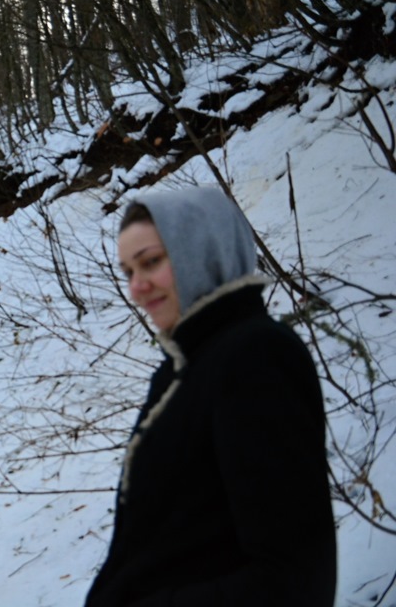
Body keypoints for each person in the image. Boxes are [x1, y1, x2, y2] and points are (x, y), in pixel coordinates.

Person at [85, 186, 336, 607]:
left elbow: (295, 582)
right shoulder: (181, 369)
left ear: (201, 251)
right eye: (128, 271)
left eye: (151, 262)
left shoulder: (256, 357)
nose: (137, 287)